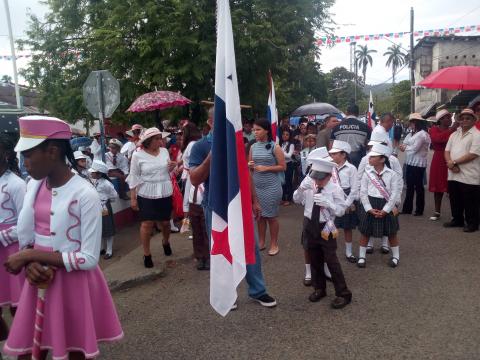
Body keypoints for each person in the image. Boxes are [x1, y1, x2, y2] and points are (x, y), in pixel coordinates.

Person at [3, 116, 123, 359]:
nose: (24, 163)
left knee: (74, 349)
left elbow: (89, 258)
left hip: (73, 285)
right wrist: (31, 262)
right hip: (37, 277)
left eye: (28, 155)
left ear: (53, 151)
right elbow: (29, 234)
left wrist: (29, 255)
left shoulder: (84, 193)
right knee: (29, 350)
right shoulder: (33, 186)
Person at [189, 108, 277, 309]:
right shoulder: (200, 146)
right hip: (216, 205)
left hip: (240, 203)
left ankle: (258, 291)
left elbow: (245, 172)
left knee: (250, 246)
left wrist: (254, 200)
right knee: (222, 249)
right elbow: (194, 179)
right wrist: (213, 154)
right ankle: (228, 294)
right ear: (211, 122)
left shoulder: (238, 143)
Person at [294, 153, 352, 308]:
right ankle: (319, 288)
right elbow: (296, 199)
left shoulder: (335, 189)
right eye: (315, 177)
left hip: (326, 225)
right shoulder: (309, 183)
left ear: (328, 176)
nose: (317, 181)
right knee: (314, 258)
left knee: (331, 259)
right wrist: (300, 189)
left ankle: (343, 293)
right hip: (309, 224)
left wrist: (328, 203)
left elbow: (341, 211)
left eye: (321, 178)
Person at [126, 128, 177, 268]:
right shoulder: (138, 155)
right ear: (148, 141)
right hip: (146, 193)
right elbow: (134, 176)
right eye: (157, 139)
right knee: (147, 224)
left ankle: (165, 241)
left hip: (164, 192)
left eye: (161, 138)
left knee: (166, 223)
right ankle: (147, 254)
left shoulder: (164, 151)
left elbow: (169, 171)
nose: (160, 141)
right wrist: (133, 198)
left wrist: (173, 166)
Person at [357, 132, 403, 255]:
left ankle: (384, 244)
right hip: (370, 196)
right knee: (368, 226)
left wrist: (397, 198)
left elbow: (399, 178)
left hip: (388, 197)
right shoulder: (366, 159)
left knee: (388, 226)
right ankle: (370, 245)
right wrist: (360, 198)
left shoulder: (392, 160)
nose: (371, 151)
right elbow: (359, 176)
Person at [0, 135, 26, 342]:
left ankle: (21, 343)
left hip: (11, 250)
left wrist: (2, 236)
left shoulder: (16, 184)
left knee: (18, 305)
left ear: (6, 155)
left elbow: (26, 226)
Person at [248, 118, 286, 255]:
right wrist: (250, 166)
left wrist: (266, 168)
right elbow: (250, 165)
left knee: (271, 216)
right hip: (257, 186)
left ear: (266, 131)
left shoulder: (275, 146)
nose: (255, 132)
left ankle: (274, 243)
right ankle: (261, 241)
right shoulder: (253, 147)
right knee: (260, 216)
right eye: (254, 130)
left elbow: (283, 166)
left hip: (272, 186)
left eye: (258, 129)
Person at [444, 108, 480, 232]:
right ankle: (457, 219)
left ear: (473, 120)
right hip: (454, 172)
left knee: (470, 201)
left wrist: (453, 162)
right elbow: (447, 150)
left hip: (470, 174)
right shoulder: (454, 134)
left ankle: (472, 223)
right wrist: (450, 164)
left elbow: (473, 154)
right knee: (455, 198)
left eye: (468, 118)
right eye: (462, 118)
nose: (464, 120)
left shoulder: (477, 135)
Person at [328, 140, 358, 263]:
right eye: (332, 154)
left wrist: (346, 204)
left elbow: (355, 189)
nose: (332, 156)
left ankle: (349, 252)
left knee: (347, 227)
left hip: (347, 200)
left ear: (343, 155)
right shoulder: (329, 167)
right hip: (332, 198)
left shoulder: (351, 168)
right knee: (330, 226)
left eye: (335, 154)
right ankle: (330, 250)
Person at [428, 109, 457, 221]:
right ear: (440, 120)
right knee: (438, 187)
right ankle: (437, 211)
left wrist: (454, 129)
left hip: (451, 158)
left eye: (450, 117)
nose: (450, 120)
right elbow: (438, 139)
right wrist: (453, 128)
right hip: (439, 158)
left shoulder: (454, 130)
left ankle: (455, 213)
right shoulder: (434, 129)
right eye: (447, 117)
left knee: (453, 186)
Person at [399, 113, 431, 216]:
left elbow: (415, 148)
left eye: (412, 122)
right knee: (409, 186)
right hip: (410, 162)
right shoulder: (411, 133)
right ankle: (407, 209)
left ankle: (419, 209)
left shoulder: (422, 134)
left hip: (418, 163)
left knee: (418, 186)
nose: (410, 123)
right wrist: (404, 146)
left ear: (417, 122)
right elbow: (405, 143)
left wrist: (405, 147)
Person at [89, 160, 118, 260]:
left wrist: (105, 201)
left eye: (93, 172)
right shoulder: (95, 181)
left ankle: (109, 250)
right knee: (99, 228)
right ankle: (102, 248)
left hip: (104, 207)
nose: (91, 173)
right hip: (96, 207)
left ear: (99, 173)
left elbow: (114, 195)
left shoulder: (106, 183)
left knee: (108, 228)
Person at [330, 104, 371, 168]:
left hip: (340, 157)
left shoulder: (336, 127)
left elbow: (331, 145)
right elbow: (369, 145)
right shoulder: (365, 127)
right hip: (358, 158)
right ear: (358, 113)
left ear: (346, 113)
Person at [180, 123, 202, 233]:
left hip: (192, 176)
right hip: (188, 175)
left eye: (183, 132)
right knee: (188, 200)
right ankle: (187, 225)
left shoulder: (192, 144)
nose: (181, 135)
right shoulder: (192, 144)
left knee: (190, 201)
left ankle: (189, 226)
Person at [279, 128, 295, 206]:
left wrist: (281, 151)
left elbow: (289, 156)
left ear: (289, 136)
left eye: (287, 134)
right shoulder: (280, 144)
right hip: (281, 165)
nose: (285, 136)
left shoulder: (291, 144)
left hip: (288, 165)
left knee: (288, 181)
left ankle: (289, 199)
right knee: (282, 181)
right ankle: (282, 198)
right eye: (283, 134)